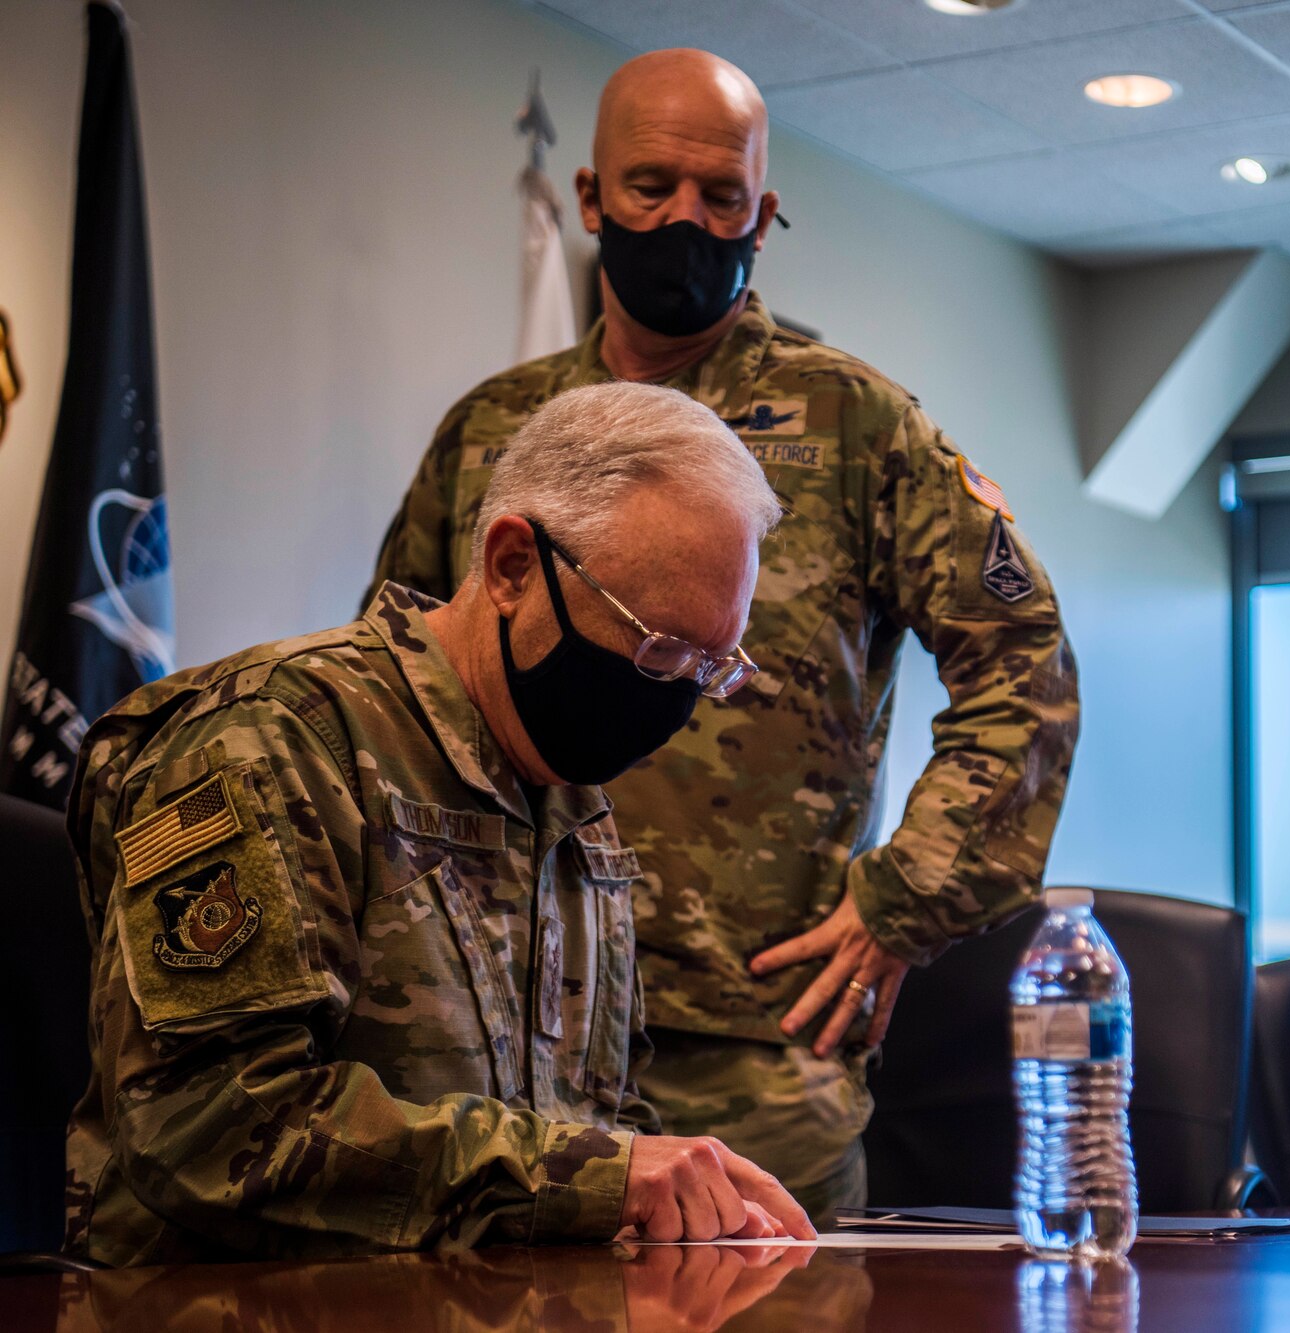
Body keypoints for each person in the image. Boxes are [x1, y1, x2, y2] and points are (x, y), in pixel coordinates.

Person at [366, 49, 1078, 1219]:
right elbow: (395, 681)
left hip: (757, 1040)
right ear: (591, 199)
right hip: (496, 1034)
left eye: (722, 196)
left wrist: (906, 898)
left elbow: (1025, 665)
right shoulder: (495, 430)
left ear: (766, 211)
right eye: (650, 188)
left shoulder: (853, 424)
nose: (684, 219)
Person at [65, 383, 815, 1265]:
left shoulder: (574, 807)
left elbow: (599, 1120)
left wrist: (687, 1203)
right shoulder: (270, 741)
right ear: (512, 568)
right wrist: (595, 1178)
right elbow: (208, 1125)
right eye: (658, 650)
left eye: (710, 665)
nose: (678, 697)